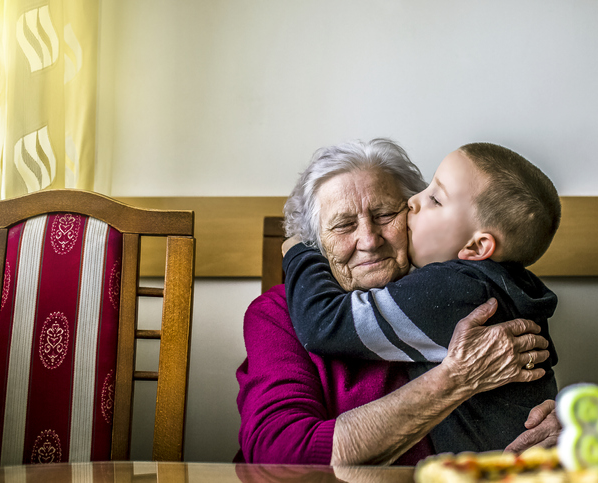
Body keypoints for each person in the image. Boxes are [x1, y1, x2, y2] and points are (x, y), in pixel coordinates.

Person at [236, 139, 560, 465]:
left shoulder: (450, 295)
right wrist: (455, 380)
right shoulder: (279, 315)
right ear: (316, 243)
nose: (369, 240)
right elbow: (279, 455)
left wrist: (567, 426)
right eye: (344, 224)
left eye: (385, 214)